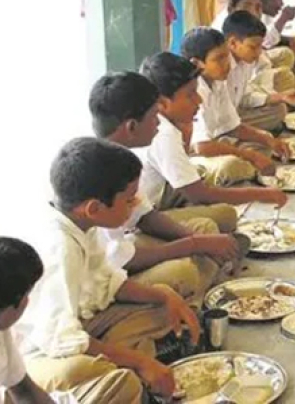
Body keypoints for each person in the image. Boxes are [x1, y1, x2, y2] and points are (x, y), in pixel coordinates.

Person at [16, 138, 201, 400]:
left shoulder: (81, 223)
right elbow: (60, 338)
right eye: (129, 200)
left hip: (82, 322)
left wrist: (164, 295)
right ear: (94, 208)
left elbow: (108, 281)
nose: (137, 203)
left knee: (172, 292)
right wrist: (139, 361)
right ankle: (132, 370)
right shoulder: (60, 247)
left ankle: (133, 362)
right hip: (39, 352)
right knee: (85, 371)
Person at [90, 72, 242, 301]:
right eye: (154, 116)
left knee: (205, 227)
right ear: (131, 126)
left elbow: (145, 216)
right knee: (182, 272)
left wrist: (198, 241)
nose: (159, 123)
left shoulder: (121, 158)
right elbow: (119, 259)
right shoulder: (96, 173)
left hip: (127, 245)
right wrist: (192, 245)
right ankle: (191, 303)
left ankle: (198, 293)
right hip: (107, 279)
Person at [139, 52, 288, 209]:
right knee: (223, 213)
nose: (198, 100)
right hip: (156, 205)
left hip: (175, 185)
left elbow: (232, 126)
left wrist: (265, 142)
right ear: (162, 103)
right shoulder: (164, 133)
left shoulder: (171, 121)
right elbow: (199, 196)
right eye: (190, 95)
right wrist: (261, 194)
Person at [1, 237, 108, 404]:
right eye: (27, 295)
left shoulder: (3, 329)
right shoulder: (62, 247)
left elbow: (24, 391)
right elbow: (62, 339)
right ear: (16, 302)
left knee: (122, 383)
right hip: (38, 357)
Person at [181, 27, 292, 181]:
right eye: (219, 59)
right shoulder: (194, 91)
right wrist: (250, 155)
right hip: (193, 156)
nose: (227, 64)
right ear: (197, 63)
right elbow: (202, 147)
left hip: (216, 140)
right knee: (230, 166)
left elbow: (233, 126)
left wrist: (269, 141)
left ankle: (246, 168)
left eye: (226, 56)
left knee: (265, 139)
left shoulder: (217, 82)